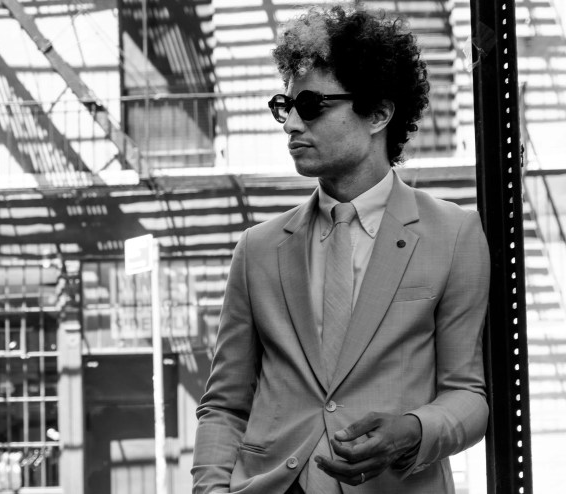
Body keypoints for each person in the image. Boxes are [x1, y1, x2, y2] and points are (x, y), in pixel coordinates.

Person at [191, 4, 490, 494]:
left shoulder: (453, 234)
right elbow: (224, 404)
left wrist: (413, 431)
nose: (290, 124)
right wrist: (211, 490)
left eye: (311, 105)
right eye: (285, 106)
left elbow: (468, 396)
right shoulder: (257, 248)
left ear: (378, 113)